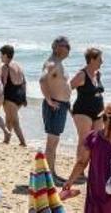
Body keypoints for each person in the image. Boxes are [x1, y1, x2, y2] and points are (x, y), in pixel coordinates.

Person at [63, 103, 111, 213]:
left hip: (98, 191)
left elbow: (82, 162)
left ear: (102, 118)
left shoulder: (93, 138)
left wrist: (70, 181)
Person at [39, 36, 72, 181]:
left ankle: (52, 172)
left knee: (55, 141)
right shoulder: (52, 63)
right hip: (55, 105)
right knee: (52, 142)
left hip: (61, 105)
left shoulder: (58, 63)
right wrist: (49, 100)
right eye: (66, 46)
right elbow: (42, 79)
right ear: (57, 47)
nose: (69, 49)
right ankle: (49, 175)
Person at [70, 48, 105, 160]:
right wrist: (67, 106)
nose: (102, 62)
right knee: (85, 140)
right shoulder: (82, 75)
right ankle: (80, 170)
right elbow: (67, 89)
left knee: (98, 141)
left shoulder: (98, 74)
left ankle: (93, 169)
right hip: (82, 112)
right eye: (99, 59)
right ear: (91, 60)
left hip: (98, 113)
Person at [0, 44, 27, 146]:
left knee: (15, 121)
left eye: (1, 55)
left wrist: (1, 98)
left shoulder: (5, 67)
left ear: (6, 55)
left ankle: (23, 142)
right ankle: (7, 140)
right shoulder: (18, 65)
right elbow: (24, 81)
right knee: (9, 118)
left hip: (10, 95)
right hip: (20, 93)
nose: (0, 57)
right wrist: (24, 97)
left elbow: (3, 84)